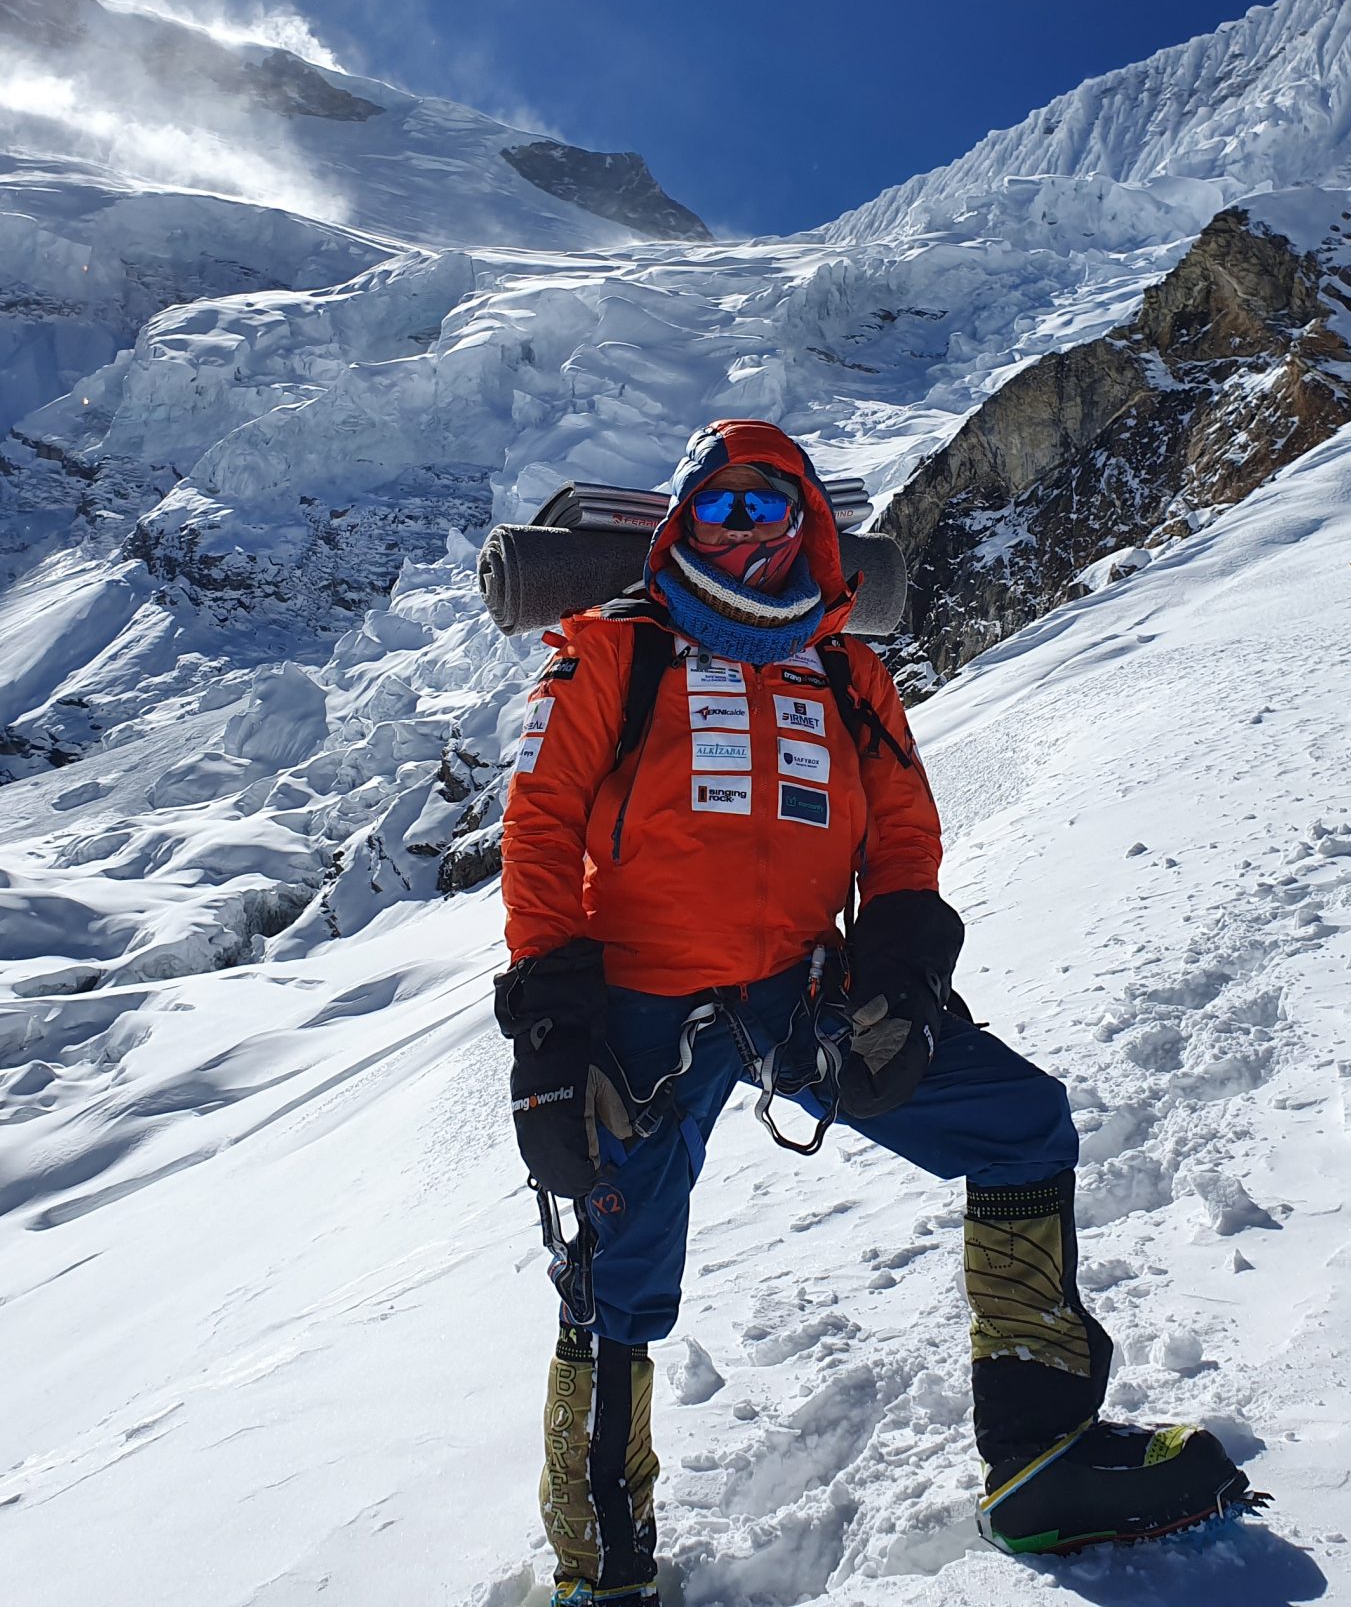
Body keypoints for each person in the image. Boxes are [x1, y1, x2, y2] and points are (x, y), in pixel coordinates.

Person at [496, 418, 1249, 1604]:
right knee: (613, 1278)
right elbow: (539, 830)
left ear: (805, 518)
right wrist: (549, 1032)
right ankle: (603, 1574)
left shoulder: (848, 669)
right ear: (680, 520)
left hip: (809, 991)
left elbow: (901, 828)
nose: (738, 529)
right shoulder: (609, 652)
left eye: (763, 504)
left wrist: (898, 967)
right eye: (716, 507)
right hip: (633, 1015)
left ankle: (1041, 1455)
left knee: (1017, 1122)